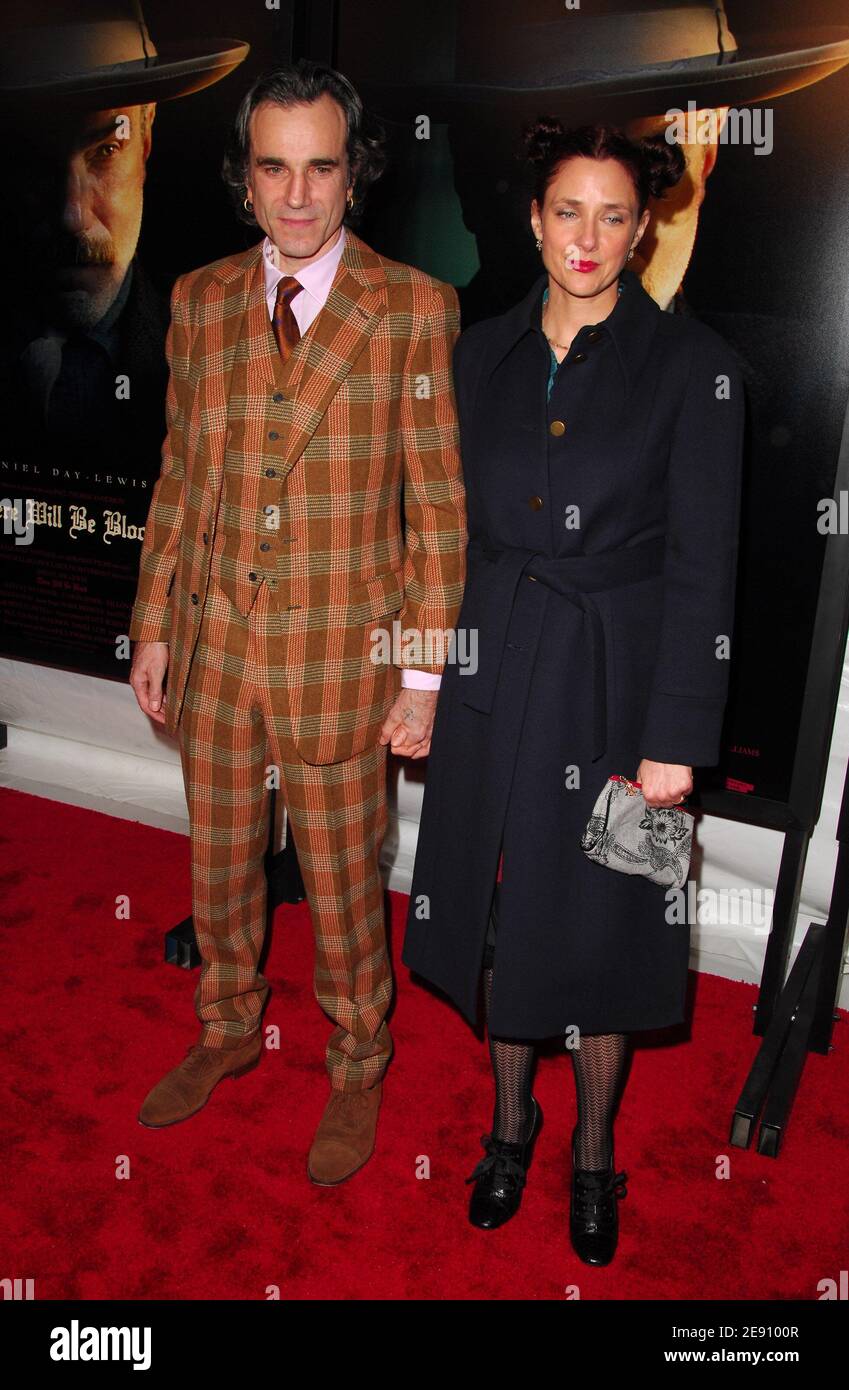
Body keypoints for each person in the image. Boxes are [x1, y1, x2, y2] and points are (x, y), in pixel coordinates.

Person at [402, 121, 745, 1263]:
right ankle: (511, 1123)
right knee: (504, 924)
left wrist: (674, 743)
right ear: (533, 219)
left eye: (612, 215)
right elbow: (442, 538)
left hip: (619, 692)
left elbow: (706, 571)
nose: (587, 238)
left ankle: (594, 1150)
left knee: (601, 937)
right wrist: (420, 676)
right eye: (566, 211)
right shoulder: (478, 352)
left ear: (644, 227)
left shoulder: (694, 369)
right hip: (496, 675)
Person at [128, 60, 466, 1185]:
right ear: (245, 177)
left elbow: (441, 513)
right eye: (275, 167)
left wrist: (419, 677)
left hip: (341, 658)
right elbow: (179, 475)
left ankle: (359, 1059)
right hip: (218, 646)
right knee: (219, 864)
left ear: (355, 172)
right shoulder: (197, 300)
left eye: (322, 166)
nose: (299, 193)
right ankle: (227, 1025)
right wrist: (157, 625)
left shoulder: (413, 307)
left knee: (342, 884)